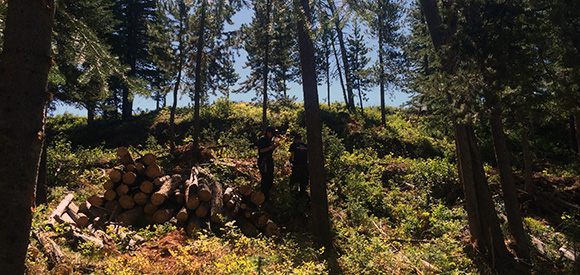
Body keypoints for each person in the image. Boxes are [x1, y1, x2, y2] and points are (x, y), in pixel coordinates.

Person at [257, 126, 279, 201]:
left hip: (269, 161)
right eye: (271, 133)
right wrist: (270, 147)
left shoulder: (271, 140)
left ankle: (267, 195)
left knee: (270, 178)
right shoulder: (263, 139)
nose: (272, 135)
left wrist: (274, 146)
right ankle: (263, 197)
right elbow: (261, 150)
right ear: (268, 132)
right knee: (265, 179)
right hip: (264, 161)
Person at [289, 132, 309, 199]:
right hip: (305, 166)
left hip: (297, 166)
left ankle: (294, 198)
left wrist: (291, 160)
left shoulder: (293, 145)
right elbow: (308, 156)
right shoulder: (306, 146)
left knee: (294, 182)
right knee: (303, 183)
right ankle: (302, 197)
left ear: (295, 139)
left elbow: (292, 156)